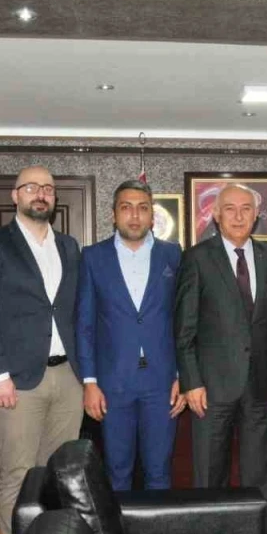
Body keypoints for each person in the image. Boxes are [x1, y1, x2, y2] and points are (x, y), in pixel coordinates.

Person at [0, 166, 82, 534]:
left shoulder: (69, 246)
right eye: (32, 187)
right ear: (15, 195)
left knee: (58, 473)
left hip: (68, 378)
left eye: (48, 188)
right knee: (19, 473)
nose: (41, 193)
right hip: (17, 380)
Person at [174, 183, 267, 501]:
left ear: (256, 215)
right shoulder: (197, 258)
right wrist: (191, 381)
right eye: (230, 209)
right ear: (216, 215)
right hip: (211, 389)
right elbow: (184, 328)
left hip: (260, 387)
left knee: (259, 480)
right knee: (210, 478)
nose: (238, 216)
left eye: (246, 209)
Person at [76, 180, 185, 491]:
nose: (135, 216)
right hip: (112, 383)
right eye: (126, 208)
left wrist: (183, 376)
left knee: (159, 472)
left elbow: (183, 321)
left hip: (162, 383)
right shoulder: (93, 257)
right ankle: (118, 525)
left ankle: (156, 526)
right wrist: (89, 382)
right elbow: (84, 323)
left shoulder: (173, 255)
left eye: (142, 208)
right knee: (117, 472)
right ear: (113, 214)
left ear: (152, 215)